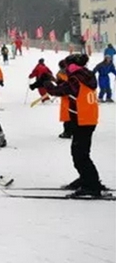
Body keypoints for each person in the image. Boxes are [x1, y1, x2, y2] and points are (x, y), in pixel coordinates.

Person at [41, 55, 106, 196]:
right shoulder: (86, 76)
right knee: (81, 152)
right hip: (87, 118)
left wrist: (46, 83)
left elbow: (57, 91)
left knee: (79, 154)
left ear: (71, 67)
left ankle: (92, 185)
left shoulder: (76, 79)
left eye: (66, 67)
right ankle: (86, 179)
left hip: (82, 120)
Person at [55, 60, 73, 139]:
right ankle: (69, 131)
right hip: (70, 97)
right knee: (71, 116)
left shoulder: (61, 74)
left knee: (68, 116)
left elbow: (60, 86)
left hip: (68, 97)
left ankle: (68, 132)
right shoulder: (73, 73)